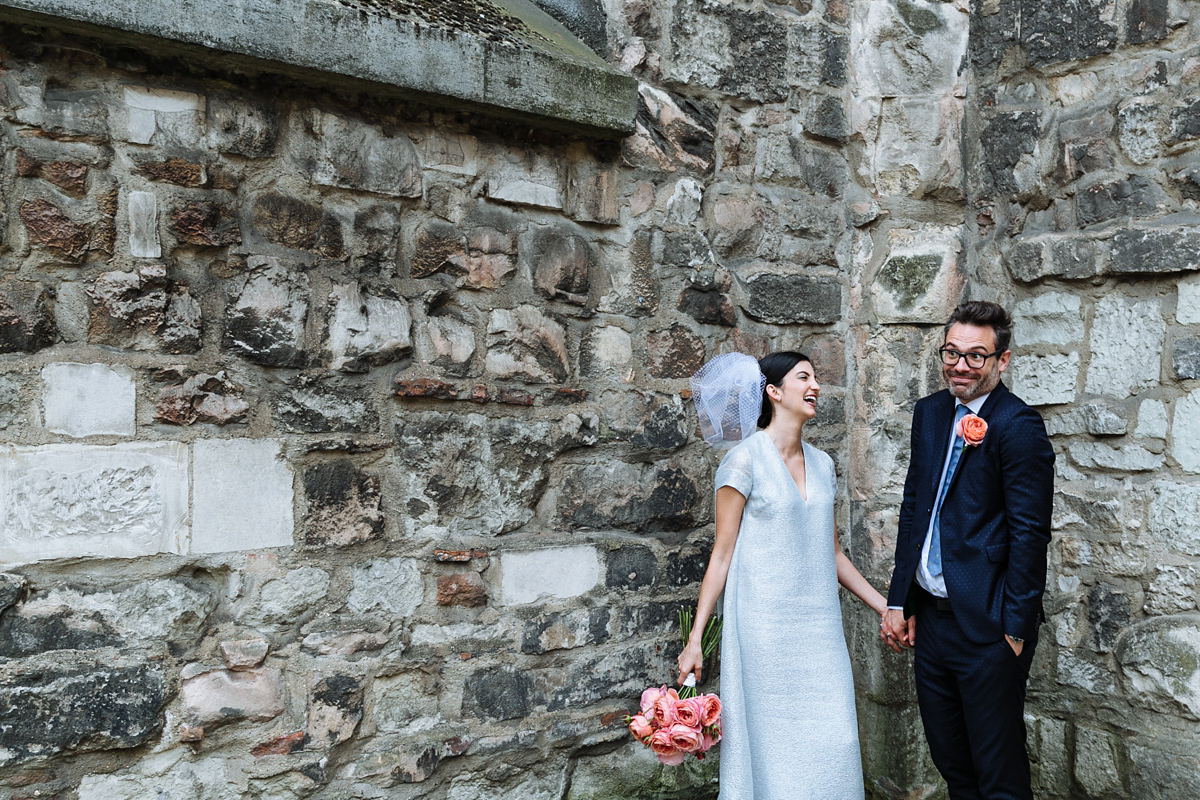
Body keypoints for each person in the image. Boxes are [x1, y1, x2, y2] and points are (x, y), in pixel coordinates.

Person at [678, 350, 890, 800]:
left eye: (816, 378)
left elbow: (831, 553)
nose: (815, 386)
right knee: (773, 746)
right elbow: (721, 555)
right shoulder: (743, 462)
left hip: (819, 628)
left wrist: (884, 607)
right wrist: (695, 640)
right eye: (804, 377)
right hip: (764, 628)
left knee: (835, 738)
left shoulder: (824, 465)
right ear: (774, 392)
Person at [881, 301, 1055, 800]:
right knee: (953, 763)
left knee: (997, 772)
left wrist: (1015, 630)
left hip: (989, 628)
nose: (960, 365)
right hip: (931, 624)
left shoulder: (1019, 427)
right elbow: (915, 509)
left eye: (976, 356)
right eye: (952, 353)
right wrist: (899, 601)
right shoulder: (931, 413)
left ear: (1002, 361)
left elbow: (1030, 534)